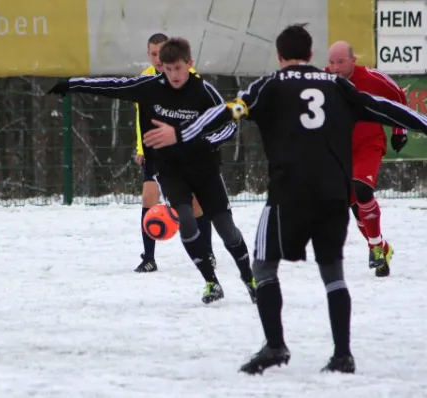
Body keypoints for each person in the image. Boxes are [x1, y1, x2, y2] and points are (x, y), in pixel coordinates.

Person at [146, 24, 427, 374]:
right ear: (311, 56)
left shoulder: (270, 86)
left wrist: (181, 131)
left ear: (279, 56)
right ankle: (342, 354)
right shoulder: (340, 85)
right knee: (333, 272)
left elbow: (230, 110)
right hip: (332, 195)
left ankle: (276, 346)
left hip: (287, 194)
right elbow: (384, 107)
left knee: (264, 267)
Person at [49, 37, 256, 304]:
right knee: (186, 221)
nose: (173, 75)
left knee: (226, 229)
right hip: (170, 170)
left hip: (204, 169)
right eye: (167, 70)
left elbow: (230, 126)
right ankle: (211, 282)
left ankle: (250, 279)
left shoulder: (204, 91)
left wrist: (201, 140)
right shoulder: (150, 87)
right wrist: (73, 84)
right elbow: (114, 86)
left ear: (189, 64)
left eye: (178, 69)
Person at [133, 33, 214, 273]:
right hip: (155, 151)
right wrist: (141, 147)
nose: (157, 58)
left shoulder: (190, 78)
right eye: (152, 53)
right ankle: (149, 257)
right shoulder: (144, 80)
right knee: (149, 197)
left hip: (186, 151)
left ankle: (206, 253)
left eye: (161, 53)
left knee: (196, 202)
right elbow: (142, 120)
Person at [327, 41, 408, 277]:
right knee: (353, 205)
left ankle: (375, 248)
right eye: (332, 62)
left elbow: (398, 95)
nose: (336, 68)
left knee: (362, 189)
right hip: (341, 150)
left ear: (353, 60)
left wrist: (399, 130)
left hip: (369, 144)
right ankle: (381, 248)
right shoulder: (325, 80)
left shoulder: (372, 78)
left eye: (341, 62)